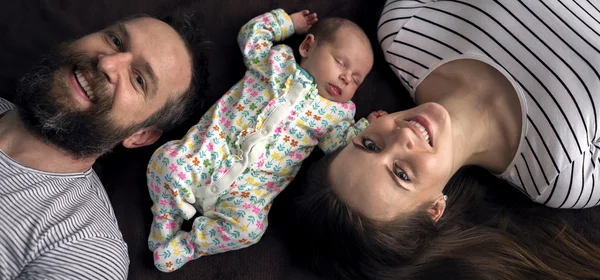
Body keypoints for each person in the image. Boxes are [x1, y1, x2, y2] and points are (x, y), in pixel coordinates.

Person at [294, 0, 600, 279]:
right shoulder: (562, 174)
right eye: (401, 174)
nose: (402, 136)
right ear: (434, 209)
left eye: (371, 145)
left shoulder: (403, 29)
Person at [147, 8, 377, 272]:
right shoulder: (274, 62)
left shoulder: (336, 115)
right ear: (307, 46)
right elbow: (251, 35)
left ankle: (189, 245)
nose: (346, 77)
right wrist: (287, 23)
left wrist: (369, 127)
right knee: (166, 162)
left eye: (356, 80)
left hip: (250, 192)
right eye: (340, 62)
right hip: (209, 152)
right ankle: (166, 219)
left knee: (250, 230)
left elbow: (341, 147)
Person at [0, 11, 208, 279]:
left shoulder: (85, 250)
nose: (107, 63)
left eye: (139, 79)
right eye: (115, 40)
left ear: (141, 136)